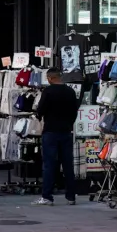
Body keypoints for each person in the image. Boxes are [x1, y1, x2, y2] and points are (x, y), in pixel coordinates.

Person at [32, 67, 80, 206]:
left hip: (50, 132)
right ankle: (71, 196)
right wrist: (69, 124)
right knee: (68, 165)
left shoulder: (48, 91)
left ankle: (47, 196)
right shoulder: (70, 92)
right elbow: (74, 112)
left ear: (51, 78)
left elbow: (40, 110)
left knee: (49, 165)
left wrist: (39, 116)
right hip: (66, 132)